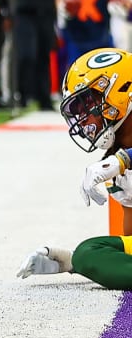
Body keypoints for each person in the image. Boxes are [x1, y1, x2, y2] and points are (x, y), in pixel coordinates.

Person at [17, 48, 132, 290]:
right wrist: (75, 263)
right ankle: (75, 261)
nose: (84, 119)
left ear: (121, 92)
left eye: (88, 104)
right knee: (87, 251)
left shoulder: (118, 161)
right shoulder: (117, 164)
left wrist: (123, 160)